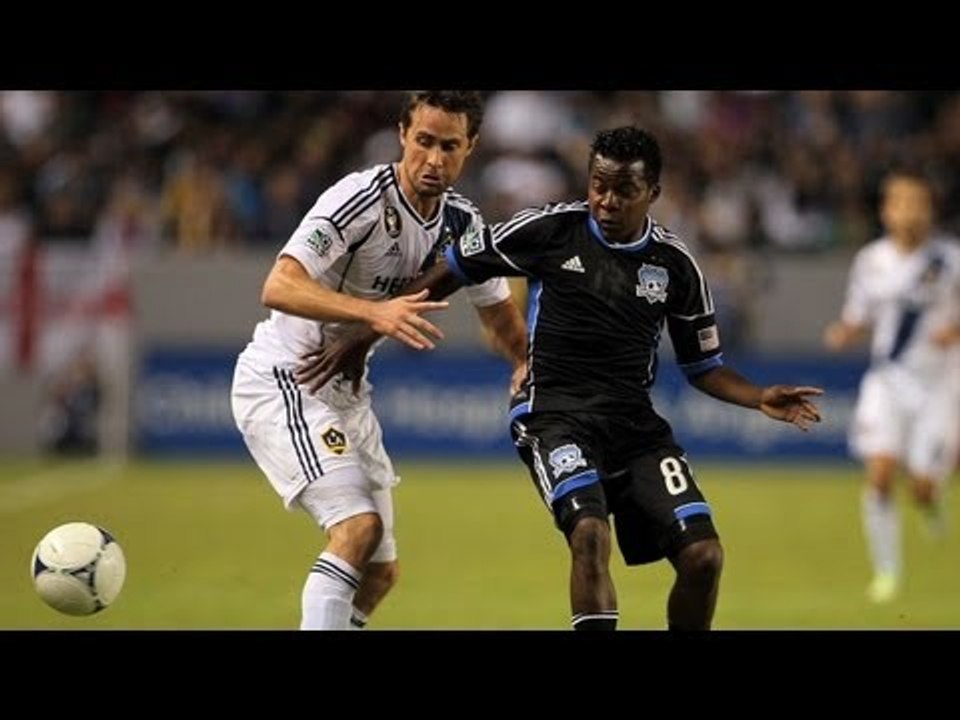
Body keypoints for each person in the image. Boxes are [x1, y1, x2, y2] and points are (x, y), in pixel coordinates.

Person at [297, 126, 823, 630]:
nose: (607, 201)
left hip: (634, 428)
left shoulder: (676, 266)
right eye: (599, 185)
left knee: (705, 556)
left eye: (625, 190)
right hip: (552, 415)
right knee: (590, 533)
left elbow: (703, 367)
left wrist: (759, 397)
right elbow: (455, 265)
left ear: (653, 192)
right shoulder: (550, 230)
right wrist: (366, 332)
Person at [231, 91, 527, 630]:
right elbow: (279, 284)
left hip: (345, 394)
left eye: (450, 146)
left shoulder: (464, 223)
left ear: (471, 148)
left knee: (379, 573)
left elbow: (501, 319)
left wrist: (525, 363)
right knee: (356, 528)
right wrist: (374, 313)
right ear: (402, 134)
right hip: (287, 378)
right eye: (424, 142)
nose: (434, 159)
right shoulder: (359, 199)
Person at [824, 169, 960, 604]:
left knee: (920, 484)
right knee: (880, 474)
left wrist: (955, 331)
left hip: (938, 384)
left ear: (930, 210)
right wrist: (844, 332)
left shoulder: (950, 259)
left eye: (918, 203)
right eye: (902, 202)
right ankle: (886, 573)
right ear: (886, 211)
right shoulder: (871, 260)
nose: (911, 212)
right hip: (887, 380)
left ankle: (930, 498)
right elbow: (860, 314)